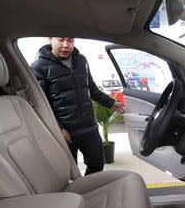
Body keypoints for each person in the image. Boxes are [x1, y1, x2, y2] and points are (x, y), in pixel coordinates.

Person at [30, 37, 124, 175]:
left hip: (89, 127)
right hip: (66, 133)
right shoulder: (39, 67)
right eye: (61, 40)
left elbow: (91, 88)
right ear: (49, 39)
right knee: (69, 172)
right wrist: (59, 128)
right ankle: (76, 193)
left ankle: (88, 189)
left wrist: (110, 103)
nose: (66, 45)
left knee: (97, 164)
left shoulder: (81, 60)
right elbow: (43, 104)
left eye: (70, 40)